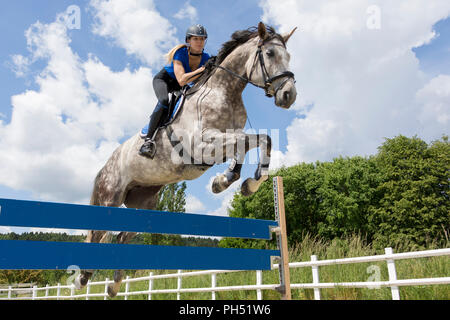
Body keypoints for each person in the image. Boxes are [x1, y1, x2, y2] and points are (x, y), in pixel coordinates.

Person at [139, 24, 211, 158]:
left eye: (202, 39)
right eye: (196, 39)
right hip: (165, 81)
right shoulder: (180, 53)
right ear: (188, 40)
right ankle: (148, 141)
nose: (199, 42)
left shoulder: (205, 57)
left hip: (180, 87)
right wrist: (202, 70)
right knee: (164, 100)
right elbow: (182, 80)